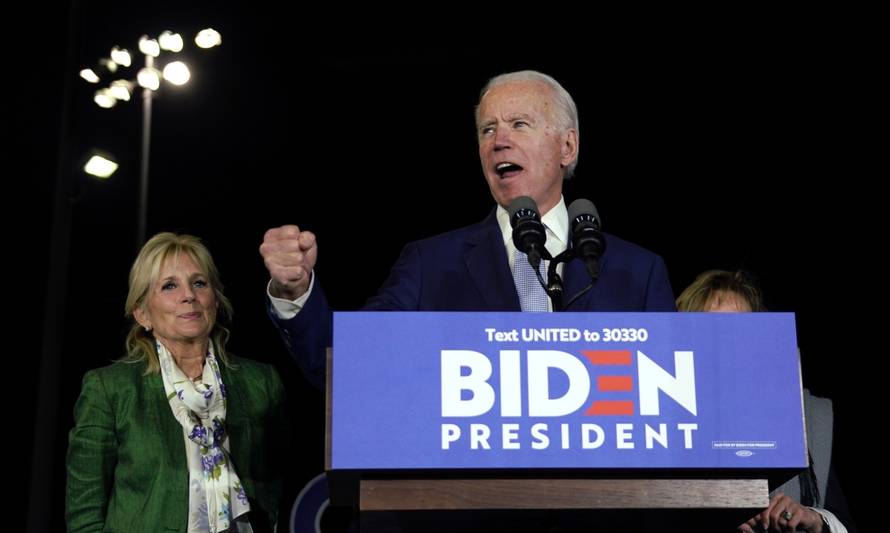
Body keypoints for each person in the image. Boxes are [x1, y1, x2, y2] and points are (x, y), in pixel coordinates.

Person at [260, 70, 675, 387]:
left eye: (519, 124)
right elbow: (350, 366)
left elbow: (672, 398)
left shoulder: (638, 272)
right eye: (487, 129)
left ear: (567, 146)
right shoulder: (430, 264)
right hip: (473, 493)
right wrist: (297, 292)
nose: (499, 141)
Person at [66, 232, 285, 533]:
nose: (189, 295)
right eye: (170, 286)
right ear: (142, 313)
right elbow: (85, 514)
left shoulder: (261, 382)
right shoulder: (110, 389)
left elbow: (275, 485)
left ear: (215, 300)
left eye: (199, 283)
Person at [677, 269, 856, 533]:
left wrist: (815, 519)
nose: (726, 344)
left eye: (740, 331)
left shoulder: (807, 416)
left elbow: (844, 522)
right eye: (710, 330)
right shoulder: (663, 421)